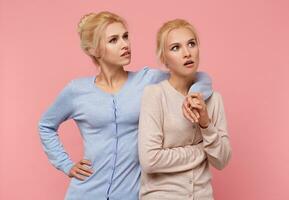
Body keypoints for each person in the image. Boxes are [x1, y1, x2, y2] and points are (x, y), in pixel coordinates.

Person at [38, 12, 213, 200]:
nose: (125, 44)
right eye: (114, 40)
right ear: (95, 50)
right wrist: (66, 164)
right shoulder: (76, 91)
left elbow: (198, 76)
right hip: (84, 192)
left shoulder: (147, 80)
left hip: (131, 193)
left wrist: (194, 95)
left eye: (125, 36)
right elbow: (45, 126)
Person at [138, 19, 232, 200]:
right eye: (175, 47)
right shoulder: (155, 95)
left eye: (191, 44)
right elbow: (150, 160)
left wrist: (206, 124)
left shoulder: (214, 99)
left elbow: (221, 160)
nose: (187, 53)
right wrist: (200, 151)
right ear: (164, 58)